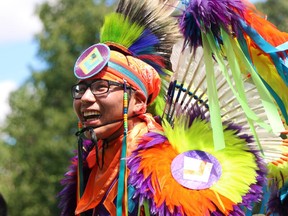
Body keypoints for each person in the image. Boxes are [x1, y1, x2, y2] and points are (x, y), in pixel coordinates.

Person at [59, 0, 288, 215]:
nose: (86, 98)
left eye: (101, 87)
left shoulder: (168, 168)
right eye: (81, 89)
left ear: (138, 101)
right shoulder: (91, 165)